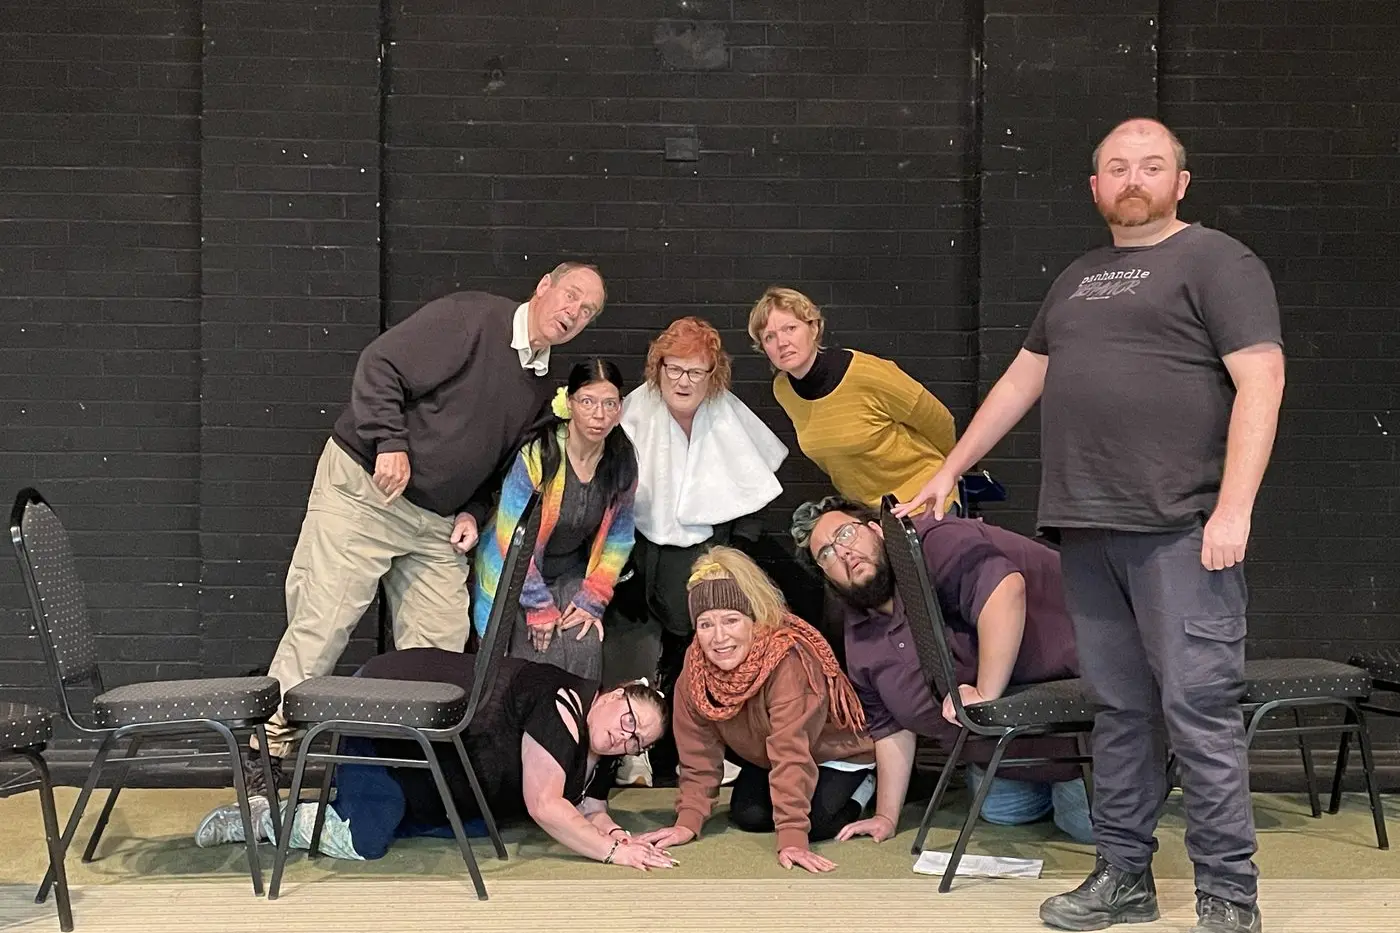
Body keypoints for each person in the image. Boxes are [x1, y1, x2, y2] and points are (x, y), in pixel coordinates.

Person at [900, 118, 1284, 933]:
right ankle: (1123, 878)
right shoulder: (1076, 278)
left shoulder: (1218, 261)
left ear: (1180, 182)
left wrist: (1235, 507)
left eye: (1151, 165)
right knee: (1120, 712)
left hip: (1181, 529)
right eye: (1117, 167)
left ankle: (1229, 896)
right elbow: (1021, 380)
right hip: (1085, 529)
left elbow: (1262, 379)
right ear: (1096, 187)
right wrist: (949, 468)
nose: (1133, 178)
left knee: (1199, 710)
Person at [245, 262, 607, 796]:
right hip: (368, 493)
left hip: (436, 520)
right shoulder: (472, 319)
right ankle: (267, 755)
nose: (574, 312)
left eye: (588, 311)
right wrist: (389, 442)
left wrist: (474, 511)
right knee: (322, 625)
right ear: (543, 286)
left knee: (438, 651)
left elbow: (502, 463)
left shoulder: (540, 380)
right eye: (571, 295)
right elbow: (381, 365)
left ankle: (403, 776)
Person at [195, 648, 676, 872]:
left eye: (638, 743)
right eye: (630, 721)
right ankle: (262, 819)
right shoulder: (563, 702)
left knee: (470, 826)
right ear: (615, 693)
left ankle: (335, 808)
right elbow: (546, 805)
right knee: (365, 840)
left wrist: (616, 833)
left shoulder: (599, 746)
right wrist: (615, 855)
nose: (626, 738)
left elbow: (589, 804)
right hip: (384, 716)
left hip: (438, 768)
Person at [790, 495, 1093, 846]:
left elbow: (1005, 590)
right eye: (826, 554)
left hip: (1077, 713)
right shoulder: (859, 637)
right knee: (1001, 812)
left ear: (876, 529)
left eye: (846, 534)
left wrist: (984, 692)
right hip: (1002, 754)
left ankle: (1124, 772)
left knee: (1083, 825)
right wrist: (886, 816)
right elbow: (890, 728)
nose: (843, 553)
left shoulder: (932, 541)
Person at [603, 316, 789, 787]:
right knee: (632, 648)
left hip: (707, 551)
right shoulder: (632, 412)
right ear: (658, 367)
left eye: (696, 371)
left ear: (713, 374)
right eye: (674, 369)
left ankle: (707, 751)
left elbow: (753, 491)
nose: (683, 381)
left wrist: (735, 552)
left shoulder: (725, 413)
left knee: (706, 652)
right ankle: (631, 753)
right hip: (637, 551)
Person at [636, 547, 876, 873]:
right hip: (768, 753)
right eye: (706, 624)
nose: (719, 637)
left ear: (754, 620)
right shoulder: (695, 671)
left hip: (833, 753)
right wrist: (687, 822)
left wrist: (793, 837)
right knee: (750, 815)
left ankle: (868, 783)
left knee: (815, 824)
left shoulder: (788, 662)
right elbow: (698, 755)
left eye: (731, 620)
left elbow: (792, 753)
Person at [472, 358, 638, 681]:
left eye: (609, 404)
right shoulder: (540, 453)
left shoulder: (621, 460)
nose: (599, 415)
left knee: (584, 643)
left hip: (571, 571)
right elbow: (511, 536)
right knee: (535, 655)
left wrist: (594, 597)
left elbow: (619, 538)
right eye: (587, 402)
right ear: (569, 402)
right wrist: (538, 606)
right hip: (516, 572)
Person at [748, 286, 959, 515]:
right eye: (769, 337)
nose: (782, 342)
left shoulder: (869, 374)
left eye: (790, 328)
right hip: (865, 512)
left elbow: (940, 422)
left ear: (814, 327)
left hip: (925, 501)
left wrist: (950, 473)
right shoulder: (783, 390)